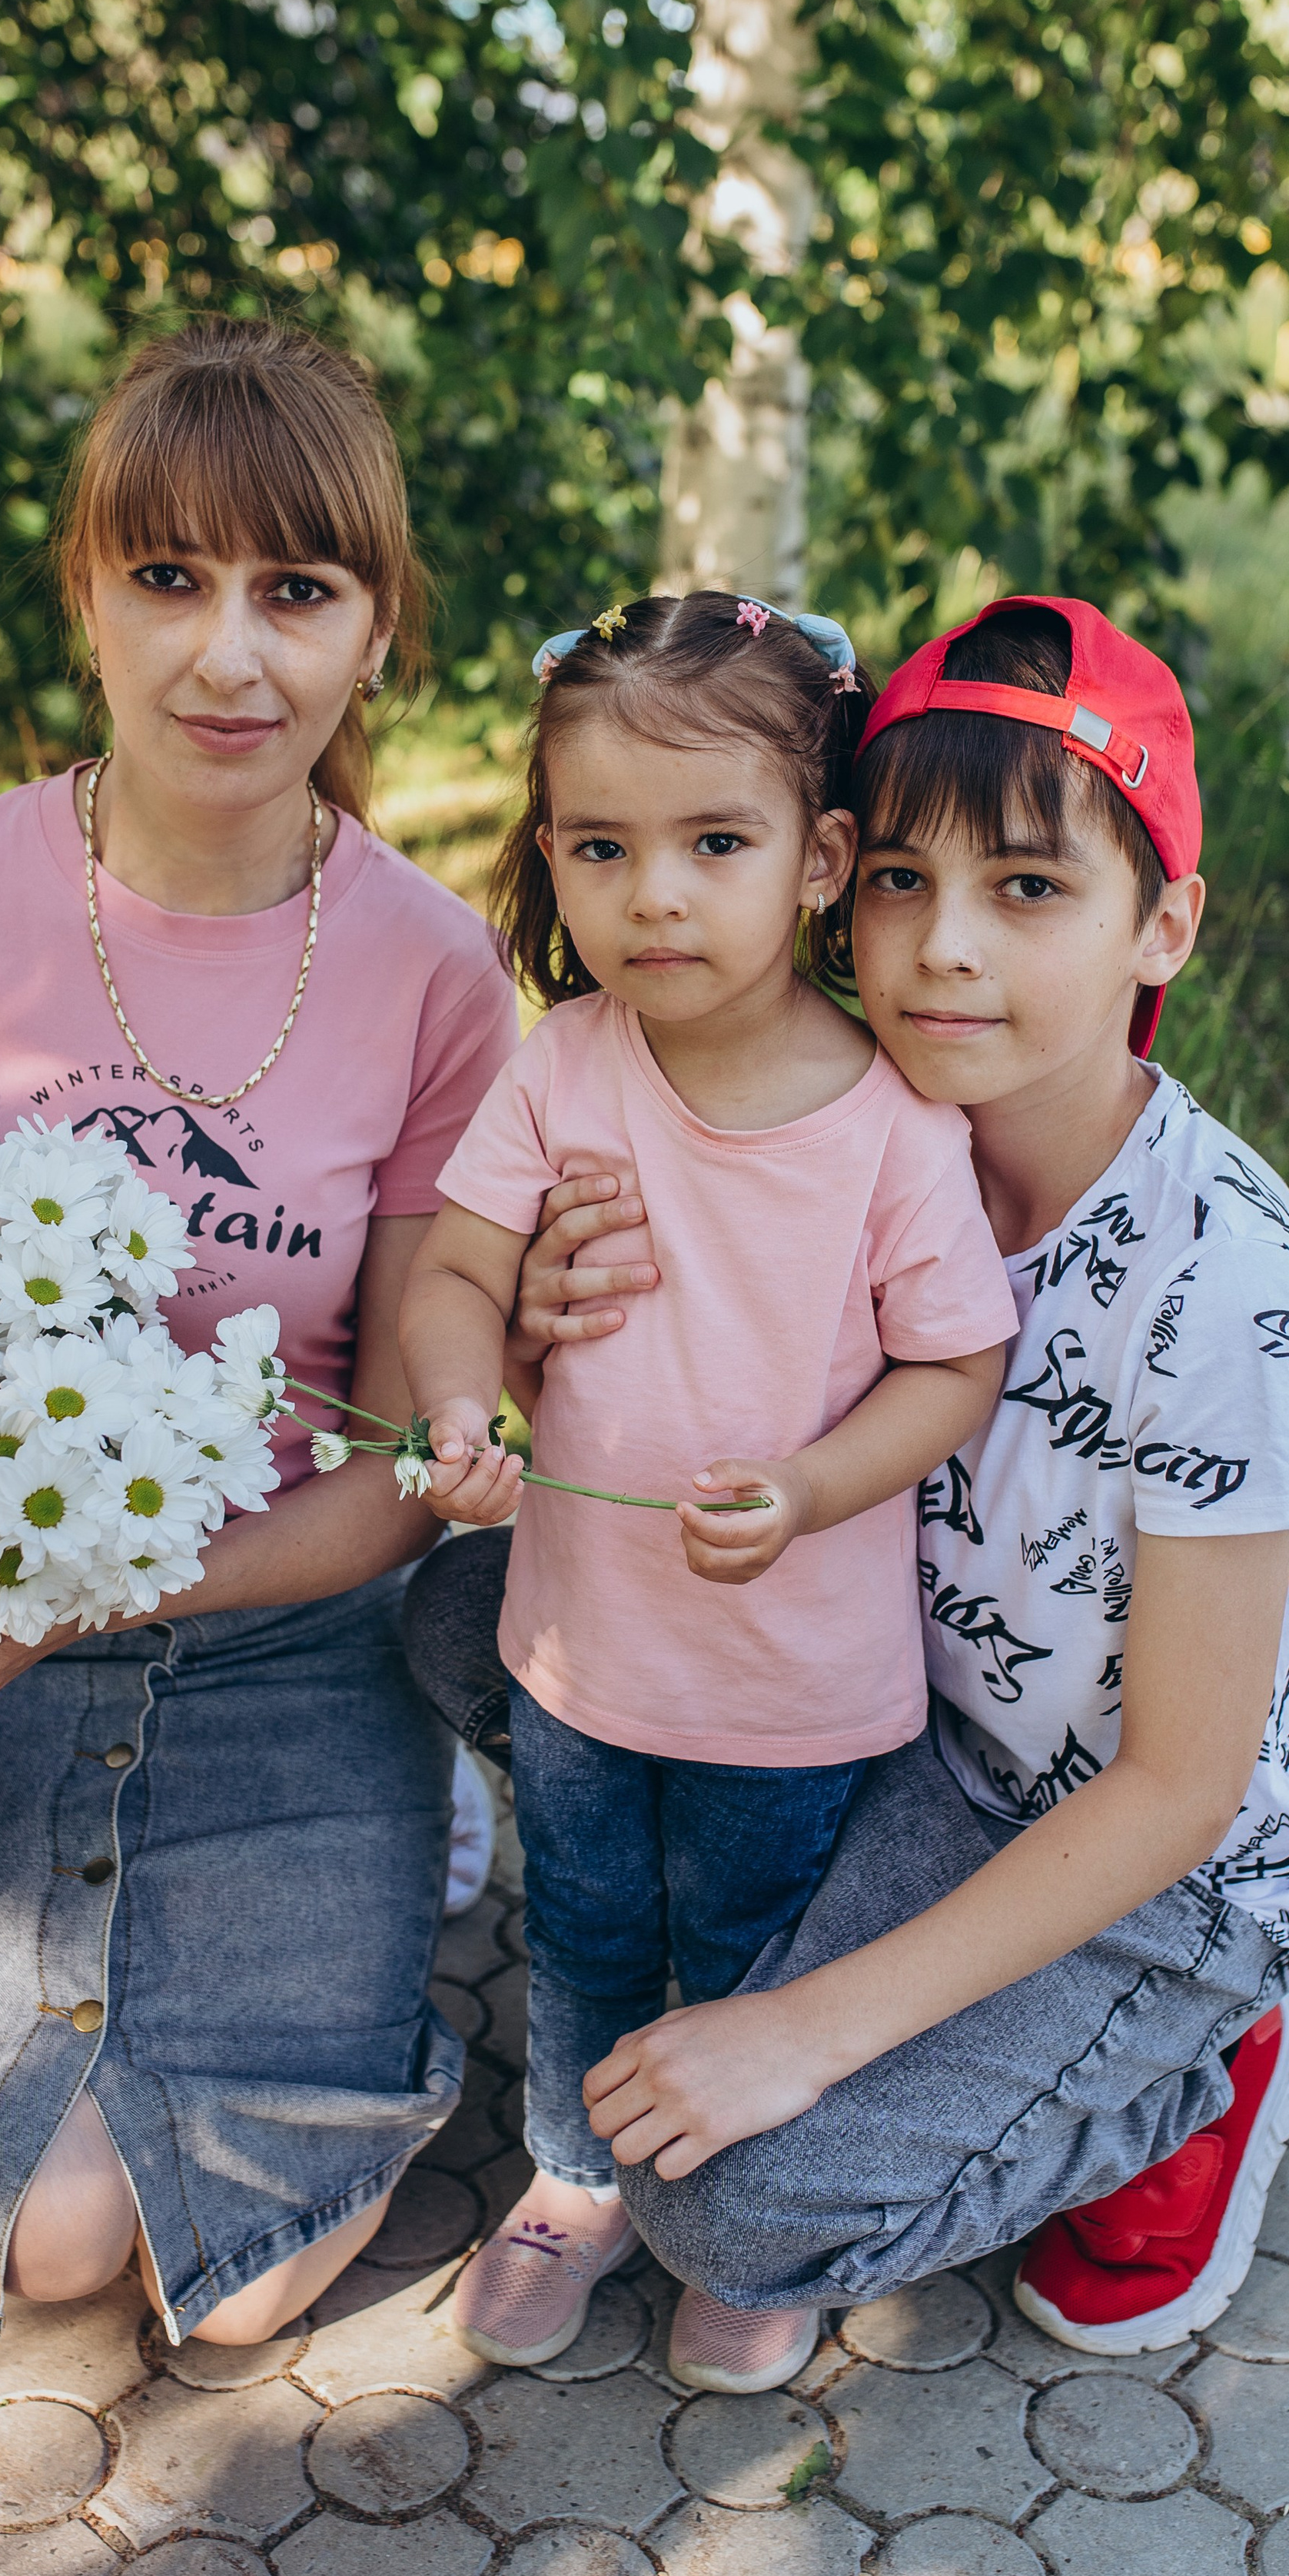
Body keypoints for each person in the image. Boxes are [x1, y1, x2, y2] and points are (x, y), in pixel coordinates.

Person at [409, 593, 1289, 2384]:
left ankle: (1194, 2068)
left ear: (1160, 921)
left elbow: (1179, 1784)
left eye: (1027, 890)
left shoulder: (1224, 1290)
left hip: (1143, 1850)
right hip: (902, 1718)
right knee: (477, 1617)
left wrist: (799, 2034)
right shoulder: (862, 1132)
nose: (938, 948)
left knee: (737, 2204)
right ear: (836, 877)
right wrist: (531, 1338)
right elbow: (647, 1380)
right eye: (904, 882)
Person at [0, 317, 520, 2345]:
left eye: (295, 590)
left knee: (230, 2298)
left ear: (373, 630)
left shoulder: (431, 972)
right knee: (65, 2242)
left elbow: (409, 1465)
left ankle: (401, 1844)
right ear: (83, 592)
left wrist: (67, 1611)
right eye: (168, 579)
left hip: (288, 1626)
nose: (227, 658)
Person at [397, 590, 1017, 2390]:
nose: (651, 894)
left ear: (820, 859)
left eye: (712, 843)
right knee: (584, 1917)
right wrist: (461, 1402)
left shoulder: (896, 1127)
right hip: (581, 1654)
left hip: (790, 1682)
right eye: (600, 847)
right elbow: (454, 1271)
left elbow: (952, 1368)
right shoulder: (567, 1063)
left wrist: (818, 1485)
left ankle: (743, 2209)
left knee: (744, 1946)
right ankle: (576, 2173)